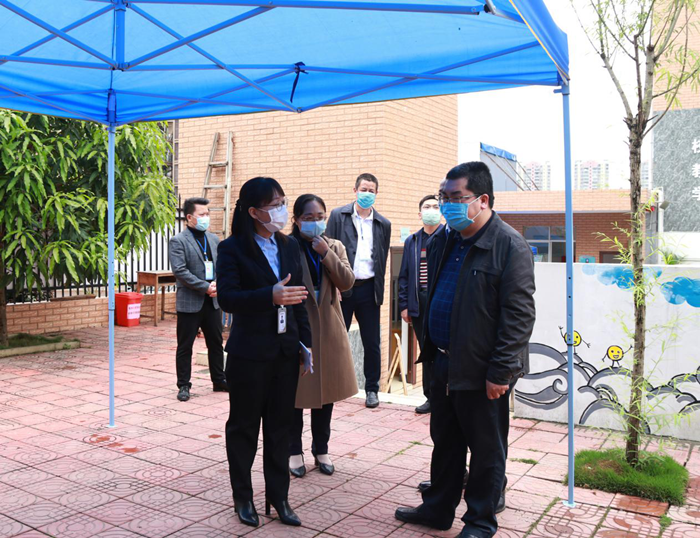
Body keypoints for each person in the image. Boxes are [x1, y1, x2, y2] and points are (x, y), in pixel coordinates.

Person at [395, 162, 536, 538]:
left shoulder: (509, 245)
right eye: (443, 197)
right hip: (443, 359)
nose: (446, 205)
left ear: (483, 200)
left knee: (486, 448)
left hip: (483, 368)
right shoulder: (445, 239)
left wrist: (500, 371)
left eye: (456, 198)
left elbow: (519, 316)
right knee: (445, 440)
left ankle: (479, 522)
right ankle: (438, 508)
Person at [216, 177, 312, 528]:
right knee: (243, 428)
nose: (282, 210)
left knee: (280, 428)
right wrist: (268, 296)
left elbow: (299, 297)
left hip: (285, 352)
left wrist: (305, 344)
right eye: (275, 205)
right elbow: (228, 298)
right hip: (249, 354)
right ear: (254, 212)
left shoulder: (288, 245)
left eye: (283, 202)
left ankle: (279, 497)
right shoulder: (232, 248)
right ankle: (243, 497)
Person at [288, 194, 358, 478]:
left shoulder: (335, 245)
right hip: (298, 326)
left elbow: (347, 282)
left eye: (320, 217)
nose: (315, 222)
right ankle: (293, 450)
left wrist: (326, 253)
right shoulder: (286, 246)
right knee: (295, 394)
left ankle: (322, 449)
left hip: (329, 327)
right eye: (308, 218)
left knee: (326, 393)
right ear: (296, 220)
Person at [326, 173, 391, 408]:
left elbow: (381, 258)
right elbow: (328, 251)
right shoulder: (338, 216)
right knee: (335, 338)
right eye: (364, 189)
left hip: (369, 289)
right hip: (343, 288)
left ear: (377, 193)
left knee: (371, 342)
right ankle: (332, 384)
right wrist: (333, 285)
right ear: (355, 190)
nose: (367, 194)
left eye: (371, 190)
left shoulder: (383, 224)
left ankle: (372, 389)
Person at [169, 197, 226, 402]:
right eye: (202, 214)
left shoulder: (213, 239)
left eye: (207, 214)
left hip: (213, 301)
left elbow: (221, 266)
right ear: (189, 217)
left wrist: (218, 284)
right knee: (185, 346)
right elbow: (180, 271)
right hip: (190, 301)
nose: (206, 218)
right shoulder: (178, 241)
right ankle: (184, 385)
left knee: (216, 343)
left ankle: (219, 380)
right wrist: (205, 287)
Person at [398, 195, 443, 414]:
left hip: (440, 302)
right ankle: (430, 397)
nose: (431, 210)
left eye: (435, 206)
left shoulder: (449, 237)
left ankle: (444, 396)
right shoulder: (412, 241)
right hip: (419, 302)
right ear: (420, 213)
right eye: (427, 207)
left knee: (442, 351)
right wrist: (404, 305)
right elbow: (404, 275)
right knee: (426, 351)